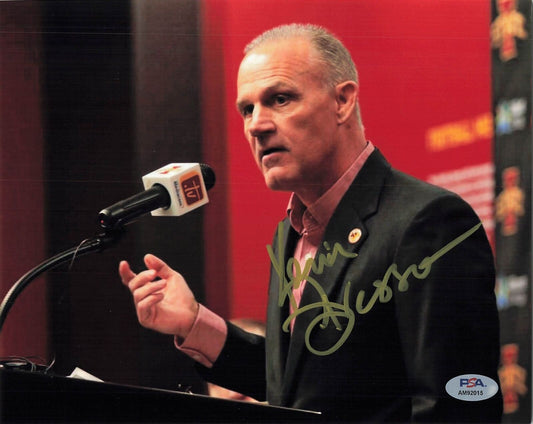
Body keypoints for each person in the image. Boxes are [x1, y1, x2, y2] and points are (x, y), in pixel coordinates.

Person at [119, 23, 502, 422]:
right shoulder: (290, 232)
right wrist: (194, 322)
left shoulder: (428, 222)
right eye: (247, 109)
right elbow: (294, 387)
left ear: (343, 101)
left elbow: (458, 404)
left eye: (280, 99)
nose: (256, 125)